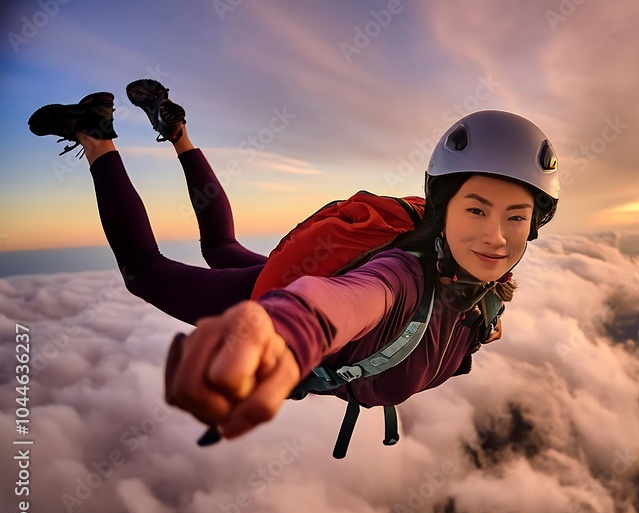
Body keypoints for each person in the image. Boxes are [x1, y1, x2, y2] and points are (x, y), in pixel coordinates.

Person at [28, 80, 560, 442]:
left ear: (534, 225)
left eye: (516, 217)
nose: (496, 236)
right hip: (303, 290)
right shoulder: (400, 279)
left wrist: (483, 328)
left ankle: (178, 132)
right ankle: (95, 134)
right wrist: (280, 337)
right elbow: (340, 303)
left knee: (220, 249)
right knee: (145, 272)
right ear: (443, 209)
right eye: (476, 209)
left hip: (298, 273)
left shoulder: (486, 286)